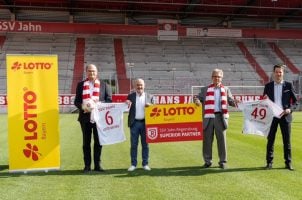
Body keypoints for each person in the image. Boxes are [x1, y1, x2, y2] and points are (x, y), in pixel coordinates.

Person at [194, 69, 239, 169]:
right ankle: (207, 161)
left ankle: (222, 161)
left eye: (219, 77)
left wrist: (235, 101)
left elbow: (231, 101)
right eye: (215, 76)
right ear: (212, 77)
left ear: (221, 78)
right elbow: (197, 97)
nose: (217, 78)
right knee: (207, 140)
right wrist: (197, 100)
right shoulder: (205, 89)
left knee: (221, 140)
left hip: (220, 117)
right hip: (208, 117)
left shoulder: (226, 89)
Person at [74, 64, 112, 173]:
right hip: (85, 118)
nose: (92, 73)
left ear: (97, 72)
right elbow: (76, 101)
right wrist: (83, 107)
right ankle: (87, 166)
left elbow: (109, 100)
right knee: (86, 143)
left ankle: (97, 165)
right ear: (86, 72)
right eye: (90, 71)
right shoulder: (80, 85)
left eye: (94, 71)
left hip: (99, 119)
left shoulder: (105, 85)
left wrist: (98, 104)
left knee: (98, 142)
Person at [263, 64, 298, 171]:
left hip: (285, 116)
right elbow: (264, 101)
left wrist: (289, 109)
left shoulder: (288, 85)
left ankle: (288, 163)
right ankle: (269, 162)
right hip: (272, 116)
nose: (278, 74)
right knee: (270, 140)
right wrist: (264, 99)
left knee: (286, 141)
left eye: (280, 72)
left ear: (283, 73)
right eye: (277, 72)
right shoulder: (268, 86)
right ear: (274, 73)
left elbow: (296, 102)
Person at [126, 78, 154, 171]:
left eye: (141, 85)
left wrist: (151, 106)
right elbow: (126, 107)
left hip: (146, 124)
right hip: (134, 123)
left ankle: (145, 164)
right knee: (134, 145)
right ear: (134, 86)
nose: (139, 87)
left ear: (144, 85)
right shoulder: (130, 96)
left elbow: (156, 109)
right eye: (137, 85)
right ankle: (133, 164)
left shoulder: (150, 96)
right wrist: (126, 103)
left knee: (145, 145)